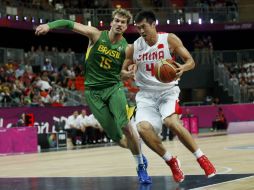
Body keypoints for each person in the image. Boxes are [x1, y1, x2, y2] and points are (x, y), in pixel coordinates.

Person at [35, 8, 151, 184]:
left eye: (123, 22)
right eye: (117, 21)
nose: (119, 24)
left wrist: (129, 72)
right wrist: (48, 26)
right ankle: (139, 155)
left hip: (113, 88)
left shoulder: (127, 48)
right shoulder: (95, 35)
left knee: (126, 126)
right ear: (111, 22)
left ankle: (140, 166)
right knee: (119, 139)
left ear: (126, 27)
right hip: (92, 93)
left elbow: (123, 71)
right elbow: (68, 23)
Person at [121, 10, 216, 183]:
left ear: (153, 24)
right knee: (142, 129)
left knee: (171, 122)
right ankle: (171, 161)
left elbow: (190, 61)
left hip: (167, 91)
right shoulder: (133, 47)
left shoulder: (169, 39)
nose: (141, 31)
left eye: (144, 27)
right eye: (138, 28)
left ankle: (202, 158)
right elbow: (122, 71)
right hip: (146, 95)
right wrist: (127, 73)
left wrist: (182, 68)